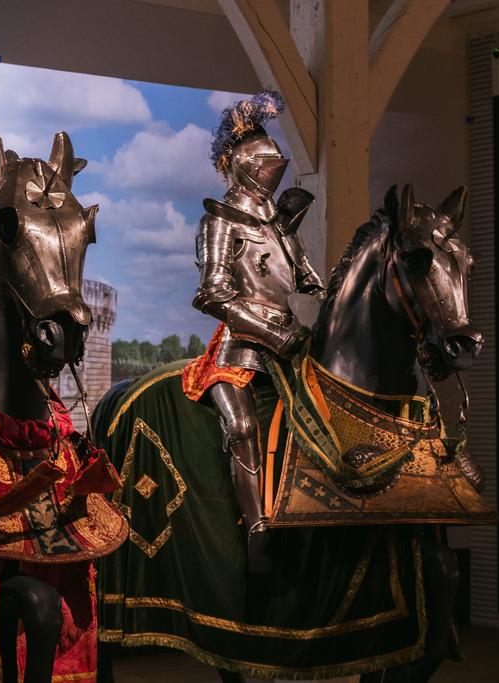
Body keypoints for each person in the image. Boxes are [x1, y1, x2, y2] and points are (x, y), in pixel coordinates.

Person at [191, 90, 325, 572]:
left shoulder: (283, 228)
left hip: (294, 352)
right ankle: (256, 530)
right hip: (242, 351)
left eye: (276, 163)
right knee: (242, 426)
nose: (274, 171)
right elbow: (212, 293)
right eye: (266, 164)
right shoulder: (220, 222)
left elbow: (312, 284)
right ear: (243, 166)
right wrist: (272, 334)